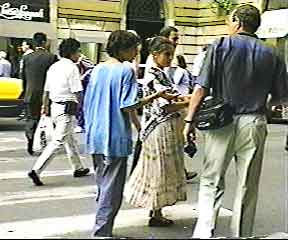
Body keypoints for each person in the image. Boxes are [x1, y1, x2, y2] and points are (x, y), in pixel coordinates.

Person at [183, 4, 288, 238]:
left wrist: (189, 120)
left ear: (237, 22)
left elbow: (201, 87)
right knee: (247, 184)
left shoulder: (220, 45)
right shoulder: (273, 53)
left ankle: (205, 233)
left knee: (212, 180)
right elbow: (282, 95)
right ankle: (241, 235)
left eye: (230, 20)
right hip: (254, 122)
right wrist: (265, 106)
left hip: (221, 122)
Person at [84, 30, 173, 238]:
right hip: (114, 135)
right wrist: (155, 96)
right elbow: (129, 105)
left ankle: (102, 230)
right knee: (112, 190)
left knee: (102, 185)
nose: (136, 54)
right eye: (134, 49)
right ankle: (102, 233)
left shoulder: (97, 69)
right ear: (123, 49)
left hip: (96, 133)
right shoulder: (125, 71)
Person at [125, 36, 190, 227]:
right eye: (166, 54)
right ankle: (156, 212)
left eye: (172, 55)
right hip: (160, 128)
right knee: (159, 171)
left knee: (159, 170)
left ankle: (157, 210)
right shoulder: (154, 75)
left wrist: (183, 99)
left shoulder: (159, 73)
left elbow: (170, 98)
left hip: (161, 127)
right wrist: (189, 102)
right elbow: (164, 107)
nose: (170, 58)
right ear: (155, 54)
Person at [27, 38, 90, 186]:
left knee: (70, 140)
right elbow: (78, 92)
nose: (79, 54)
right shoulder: (72, 68)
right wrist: (85, 108)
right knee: (58, 141)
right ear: (73, 52)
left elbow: (46, 91)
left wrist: (45, 107)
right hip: (66, 109)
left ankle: (78, 167)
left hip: (54, 107)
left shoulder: (54, 67)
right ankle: (36, 170)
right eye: (78, 51)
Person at [22, 32, 58, 156]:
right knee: (46, 120)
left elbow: (24, 78)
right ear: (44, 42)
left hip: (30, 94)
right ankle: (45, 143)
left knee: (31, 119)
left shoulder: (26, 58)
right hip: (46, 95)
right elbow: (54, 78)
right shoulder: (51, 57)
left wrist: (25, 92)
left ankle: (30, 142)